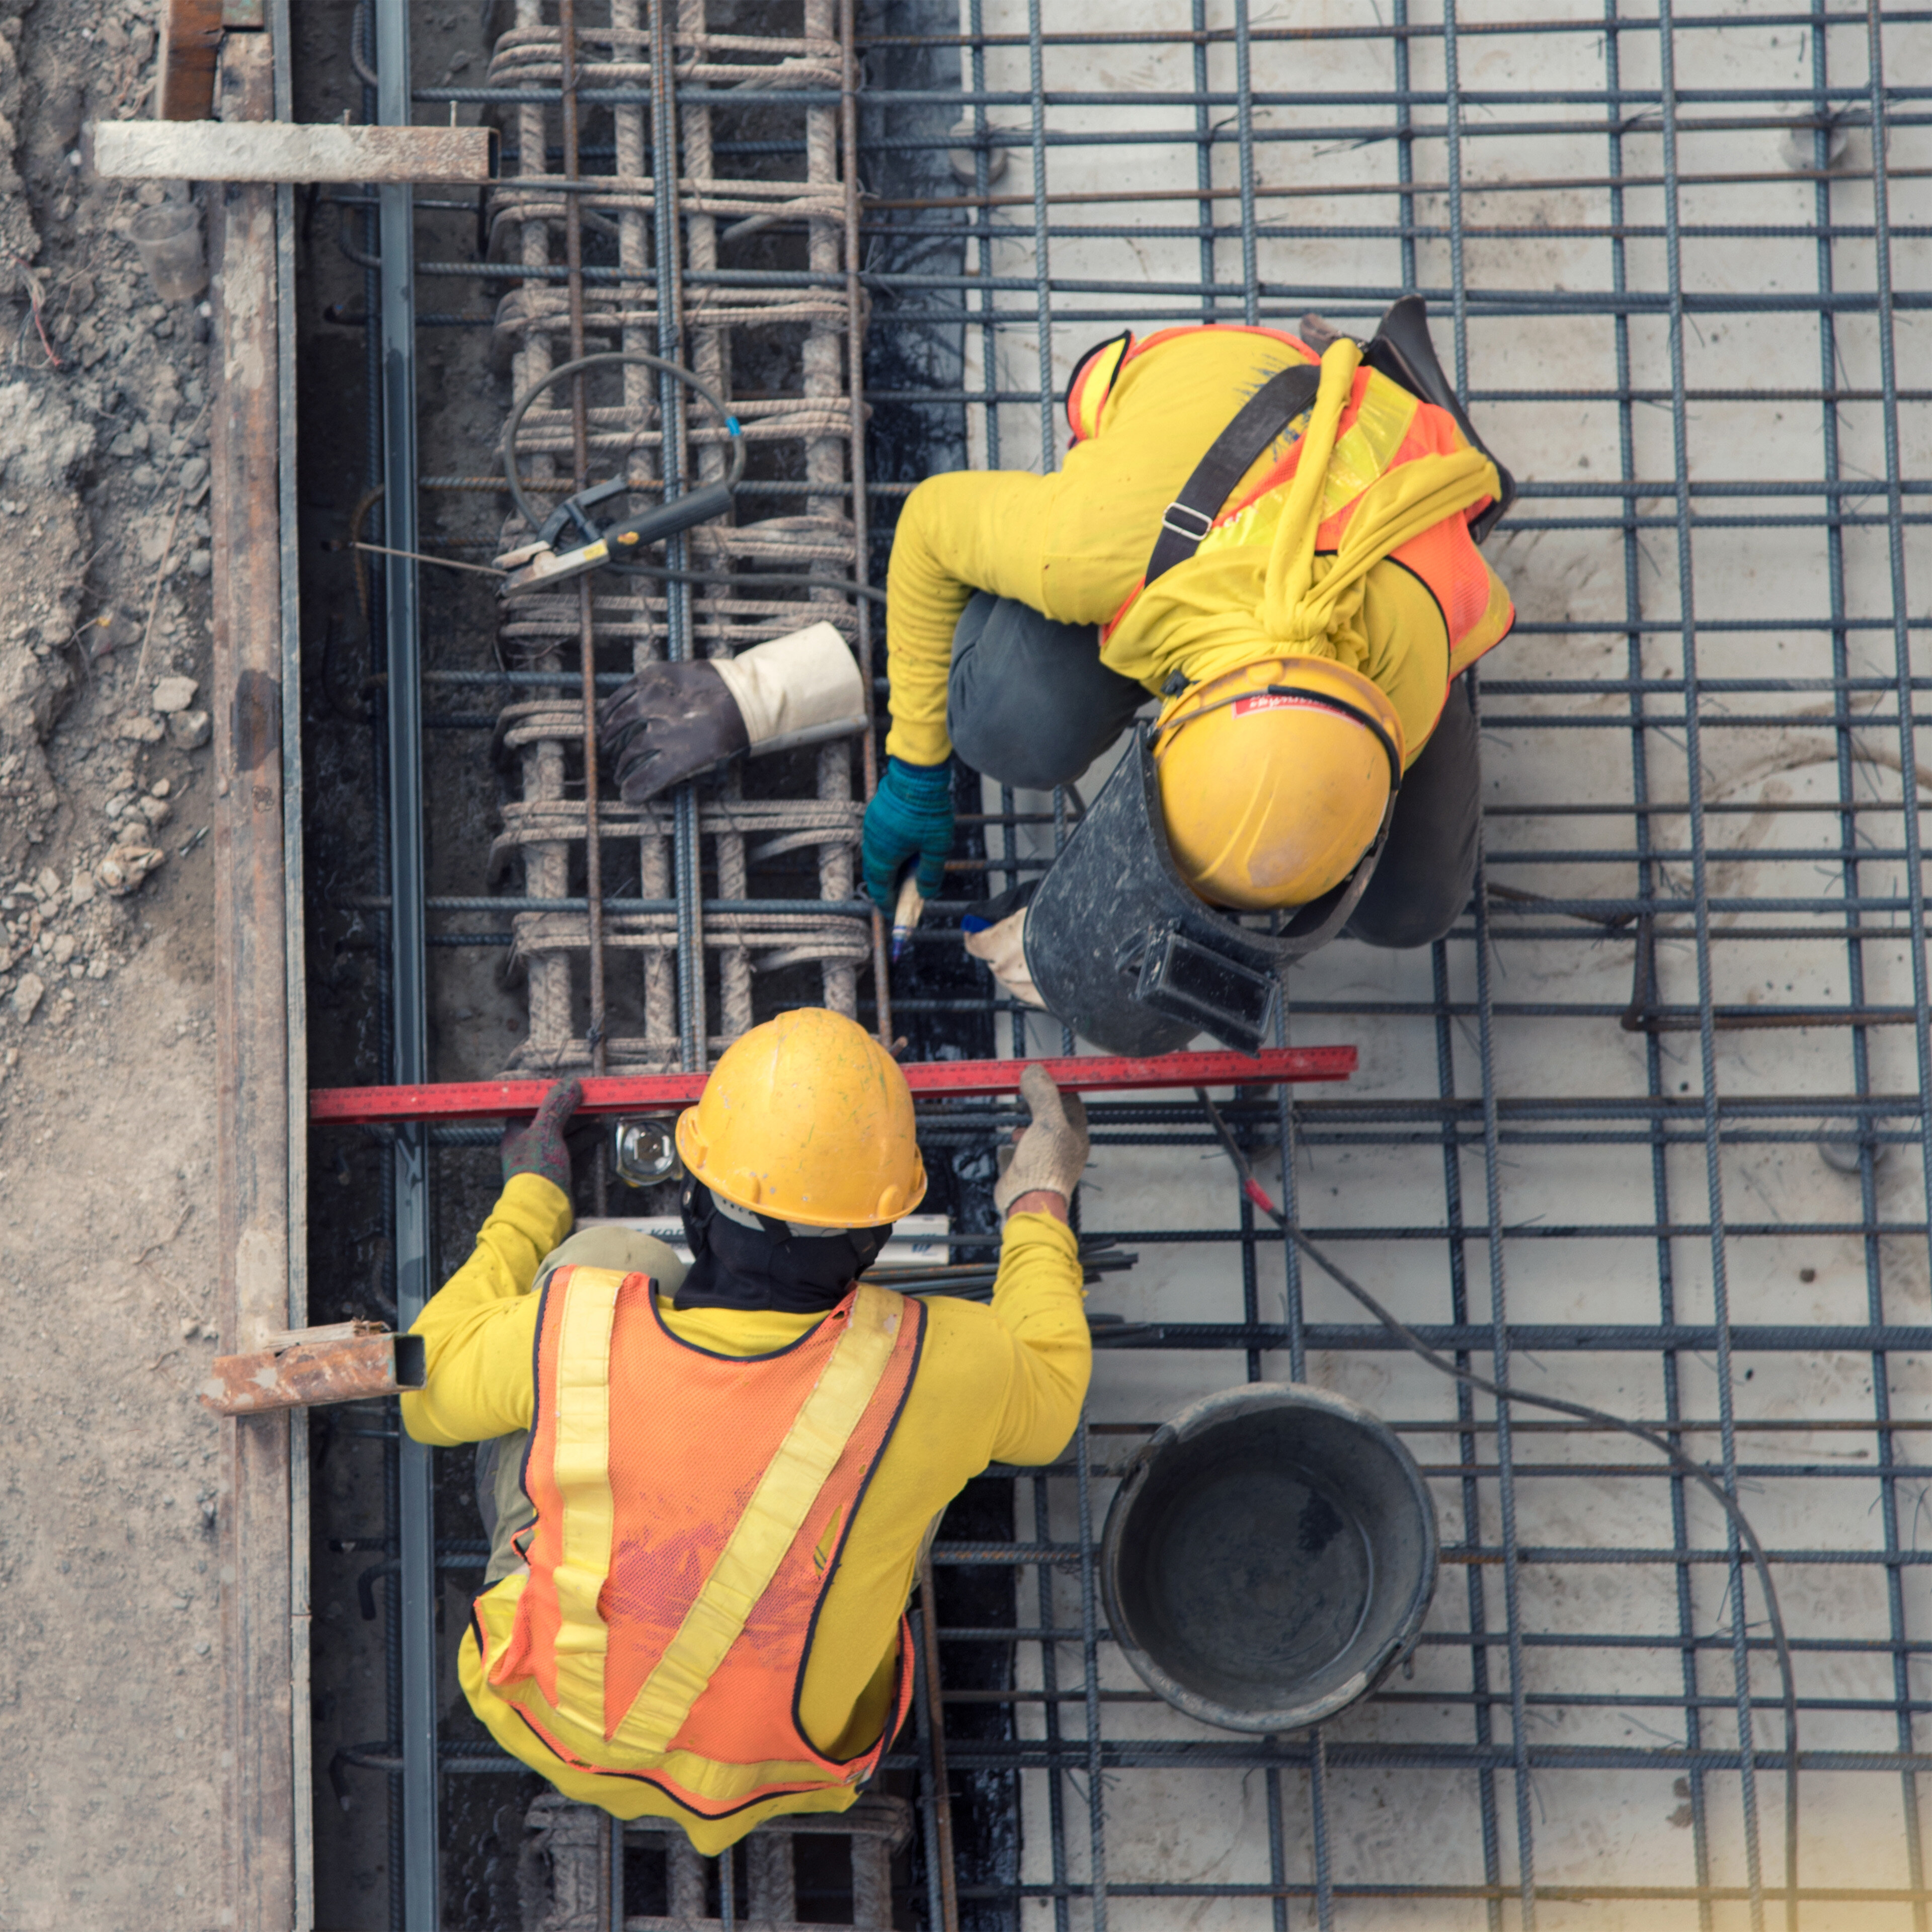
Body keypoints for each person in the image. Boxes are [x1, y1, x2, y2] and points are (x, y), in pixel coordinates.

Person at [400, 1009, 1091, 1853]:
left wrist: (532, 1197)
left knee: (609, 1266)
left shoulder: (577, 1327)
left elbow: (423, 1389)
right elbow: (1054, 1394)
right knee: (913, 1450)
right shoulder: (939, 1362)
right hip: (800, 1768)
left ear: (694, 1203)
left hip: (551, 1720)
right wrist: (1040, 1198)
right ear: (877, 1237)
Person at [858, 302, 1517, 1019]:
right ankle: (1383, 379)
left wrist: (1093, 920)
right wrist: (916, 769)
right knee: (1005, 723)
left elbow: (1269, 837)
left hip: (1396, 510)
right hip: (1222, 412)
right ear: (1176, 716)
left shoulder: (1411, 681)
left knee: (1409, 911)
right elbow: (926, 527)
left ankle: (1420, 413)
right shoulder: (1092, 546)